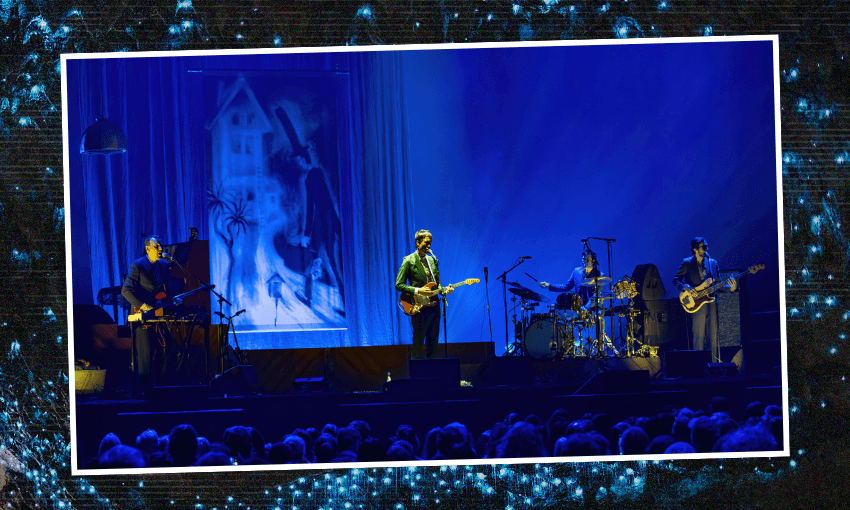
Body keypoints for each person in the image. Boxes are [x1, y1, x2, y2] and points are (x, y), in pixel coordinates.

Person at [121, 235, 174, 388]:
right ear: (147, 249)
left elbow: (163, 290)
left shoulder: (164, 265)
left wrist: (163, 300)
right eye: (157, 246)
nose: (160, 249)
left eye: (160, 246)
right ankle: (144, 392)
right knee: (145, 356)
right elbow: (126, 290)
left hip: (158, 315)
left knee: (164, 353)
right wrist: (143, 305)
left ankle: (160, 388)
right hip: (142, 317)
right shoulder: (137, 265)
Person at [672, 237, 736, 361]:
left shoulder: (712, 263)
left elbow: (718, 284)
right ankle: (699, 365)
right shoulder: (687, 263)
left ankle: (714, 365)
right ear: (694, 249)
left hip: (711, 302)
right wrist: (687, 287)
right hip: (696, 303)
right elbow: (676, 280)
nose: (706, 249)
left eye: (706, 246)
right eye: (703, 247)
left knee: (713, 335)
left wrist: (731, 288)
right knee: (698, 336)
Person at [395, 229, 453, 359]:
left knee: (433, 343)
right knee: (418, 342)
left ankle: (431, 375)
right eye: (426, 243)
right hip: (419, 306)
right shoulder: (409, 260)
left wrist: (444, 290)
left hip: (434, 305)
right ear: (417, 242)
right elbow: (398, 285)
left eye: (430, 243)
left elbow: (436, 284)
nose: (429, 246)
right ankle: (416, 375)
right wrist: (417, 290)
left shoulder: (432, 260)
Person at [539, 250, 607, 354]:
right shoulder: (576, 271)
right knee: (564, 316)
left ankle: (600, 348)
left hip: (592, 307)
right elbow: (566, 286)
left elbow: (595, 296)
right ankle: (568, 348)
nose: (585, 261)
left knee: (599, 315)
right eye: (583, 259)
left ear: (593, 260)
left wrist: (586, 308)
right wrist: (549, 285)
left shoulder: (600, 275)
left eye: (587, 259)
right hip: (578, 307)